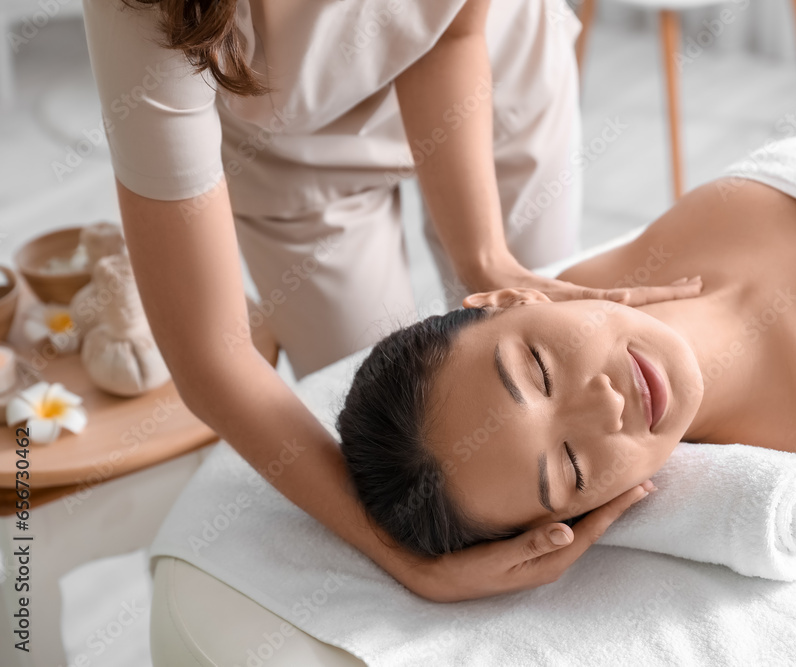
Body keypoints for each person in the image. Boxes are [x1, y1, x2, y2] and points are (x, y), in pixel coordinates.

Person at [79, 0, 703, 602]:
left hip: (492, 71)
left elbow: (451, 34)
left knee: (554, 334)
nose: (611, 400)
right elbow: (210, 358)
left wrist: (486, 260)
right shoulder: (149, 13)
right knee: (393, 449)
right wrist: (409, 562)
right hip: (292, 153)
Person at [336, 89, 796, 561]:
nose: (605, 404)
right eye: (569, 466)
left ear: (513, 300)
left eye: (536, 370)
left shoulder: (604, 280)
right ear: (586, 515)